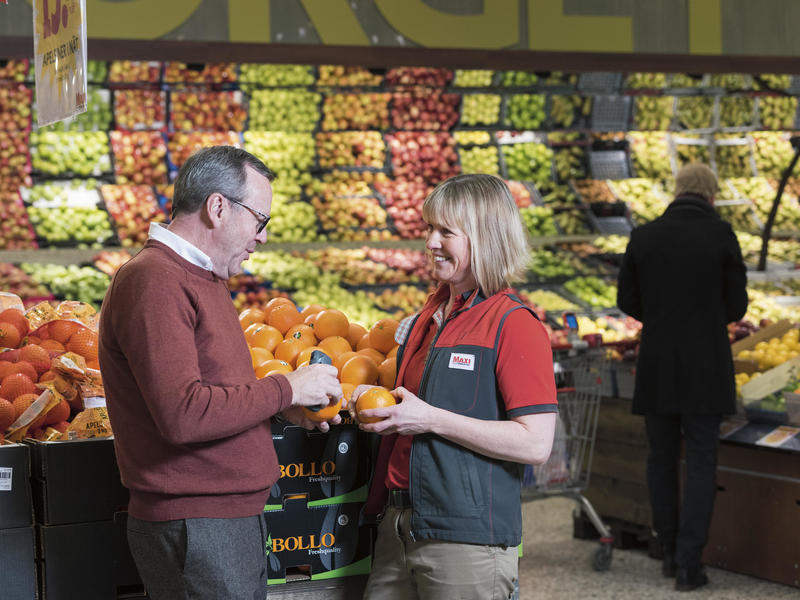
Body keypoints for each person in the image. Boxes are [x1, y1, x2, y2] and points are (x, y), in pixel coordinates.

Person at [98, 146, 342, 600]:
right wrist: (285, 386)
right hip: (197, 525)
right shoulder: (156, 280)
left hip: (219, 520)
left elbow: (213, 394)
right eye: (259, 220)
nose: (261, 237)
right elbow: (182, 413)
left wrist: (283, 408)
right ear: (217, 207)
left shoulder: (201, 278)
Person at [350, 173, 558, 600]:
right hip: (399, 525)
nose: (430, 242)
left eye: (446, 231)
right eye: (429, 229)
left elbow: (535, 444)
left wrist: (430, 419)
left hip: (465, 539)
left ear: (484, 237)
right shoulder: (430, 317)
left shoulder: (514, 324)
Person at [617, 163, 748, 592]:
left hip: (657, 365)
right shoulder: (721, 235)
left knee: (660, 460)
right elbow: (737, 307)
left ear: (677, 191)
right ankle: (691, 562)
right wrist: (706, 320)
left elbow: (627, 300)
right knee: (702, 463)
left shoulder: (644, 236)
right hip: (707, 366)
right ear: (710, 195)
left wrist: (661, 318)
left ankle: (668, 552)